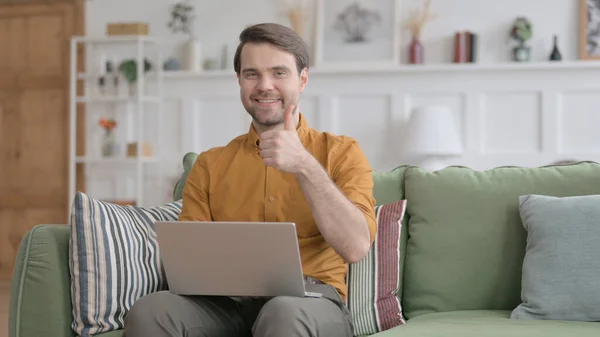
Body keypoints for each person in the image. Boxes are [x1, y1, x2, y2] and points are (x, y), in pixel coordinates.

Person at [124, 22, 377, 337]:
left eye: (279, 73)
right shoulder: (210, 165)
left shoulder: (341, 152)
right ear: (239, 81)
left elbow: (355, 247)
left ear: (303, 79)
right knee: (152, 310)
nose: (264, 85)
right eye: (252, 74)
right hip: (225, 305)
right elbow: (189, 266)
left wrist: (304, 166)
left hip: (310, 302)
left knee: (283, 313)